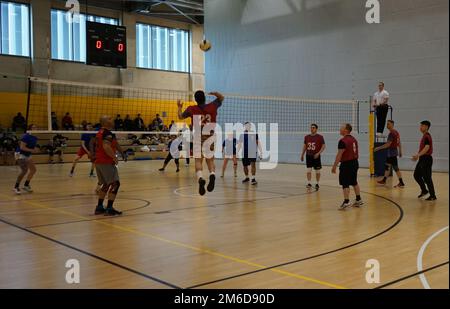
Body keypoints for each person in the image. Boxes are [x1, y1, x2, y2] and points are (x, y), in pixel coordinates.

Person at [177, 90, 224, 196]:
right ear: (204, 98)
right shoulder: (212, 106)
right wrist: (216, 93)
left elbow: (180, 117)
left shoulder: (191, 109)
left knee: (198, 160)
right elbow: (221, 98)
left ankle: (201, 178)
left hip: (198, 135)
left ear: (195, 99)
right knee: (210, 160)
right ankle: (212, 174)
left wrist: (179, 107)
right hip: (210, 135)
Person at [94, 115, 126, 216]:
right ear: (106, 122)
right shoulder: (107, 133)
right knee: (115, 184)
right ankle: (109, 208)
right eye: (110, 119)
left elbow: (114, 144)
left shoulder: (101, 132)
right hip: (106, 161)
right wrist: (114, 157)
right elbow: (106, 146)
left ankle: (99, 207)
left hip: (99, 162)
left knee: (106, 184)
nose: (112, 120)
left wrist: (122, 152)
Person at [332, 124, 363, 211]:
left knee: (345, 183)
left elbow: (339, 155)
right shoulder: (354, 139)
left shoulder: (343, 141)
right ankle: (358, 199)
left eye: (341, 128)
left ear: (346, 130)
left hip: (346, 164)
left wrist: (334, 166)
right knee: (354, 181)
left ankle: (346, 202)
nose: (340, 129)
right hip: (355, 163)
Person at [374, 120, 405, 188]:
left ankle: (401, 182)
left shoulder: (392, 133)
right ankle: (384, 180)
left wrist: (378, 148)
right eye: (387, 124)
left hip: (392, 153)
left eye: (388, 124)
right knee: (387, 166)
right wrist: (400, 151)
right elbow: (399, 142)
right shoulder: (396, 132)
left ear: (392, 125)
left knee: (396, 168)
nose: (387, 125)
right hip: (391, 153)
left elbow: (388, 144)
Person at [412, 121, 437, 201]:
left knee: (427, 178)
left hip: (426, 159)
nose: (420, 127)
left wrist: (418, 155)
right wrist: (419, 156)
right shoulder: (425, 136)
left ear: (426, 127)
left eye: (422, 126)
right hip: (423, 159)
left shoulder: (427, 136)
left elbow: (427, 147)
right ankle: (424, 190)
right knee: (416, 175)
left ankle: (433, 196)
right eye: (420, 125)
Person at [13, 125, 39, 194]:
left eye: (36, 127)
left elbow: (32, 147)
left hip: (27, 154)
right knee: (24, 170)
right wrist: (32, 150)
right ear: (30, 129)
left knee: (33, 170)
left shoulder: (35, 138)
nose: (36, 129)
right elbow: (22, 147)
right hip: (19, 154)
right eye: (34, 127)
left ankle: (26, 185)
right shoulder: (26, 136)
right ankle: (16, 187)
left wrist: (36, 149)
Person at [300, 124, 326, 191]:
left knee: (317, 171)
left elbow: (323, 146)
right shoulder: (306, 137)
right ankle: (309, 183)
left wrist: (318, 153)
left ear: (316, 129)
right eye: (311, 128)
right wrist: (302, 154)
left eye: (313, 128)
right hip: (308, 155)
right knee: (308, 170)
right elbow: (305, 146)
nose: (312, 129)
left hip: (316, 156)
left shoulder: (320, 137)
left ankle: (317, 183)